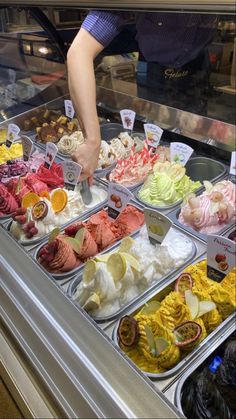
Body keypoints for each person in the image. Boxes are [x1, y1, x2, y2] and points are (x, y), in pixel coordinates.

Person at [67, 11, 218, 180]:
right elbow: (79, 51)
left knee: (197, 147)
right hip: (155, 68)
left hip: (197, 66)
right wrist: (92, 141)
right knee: (155, 147)